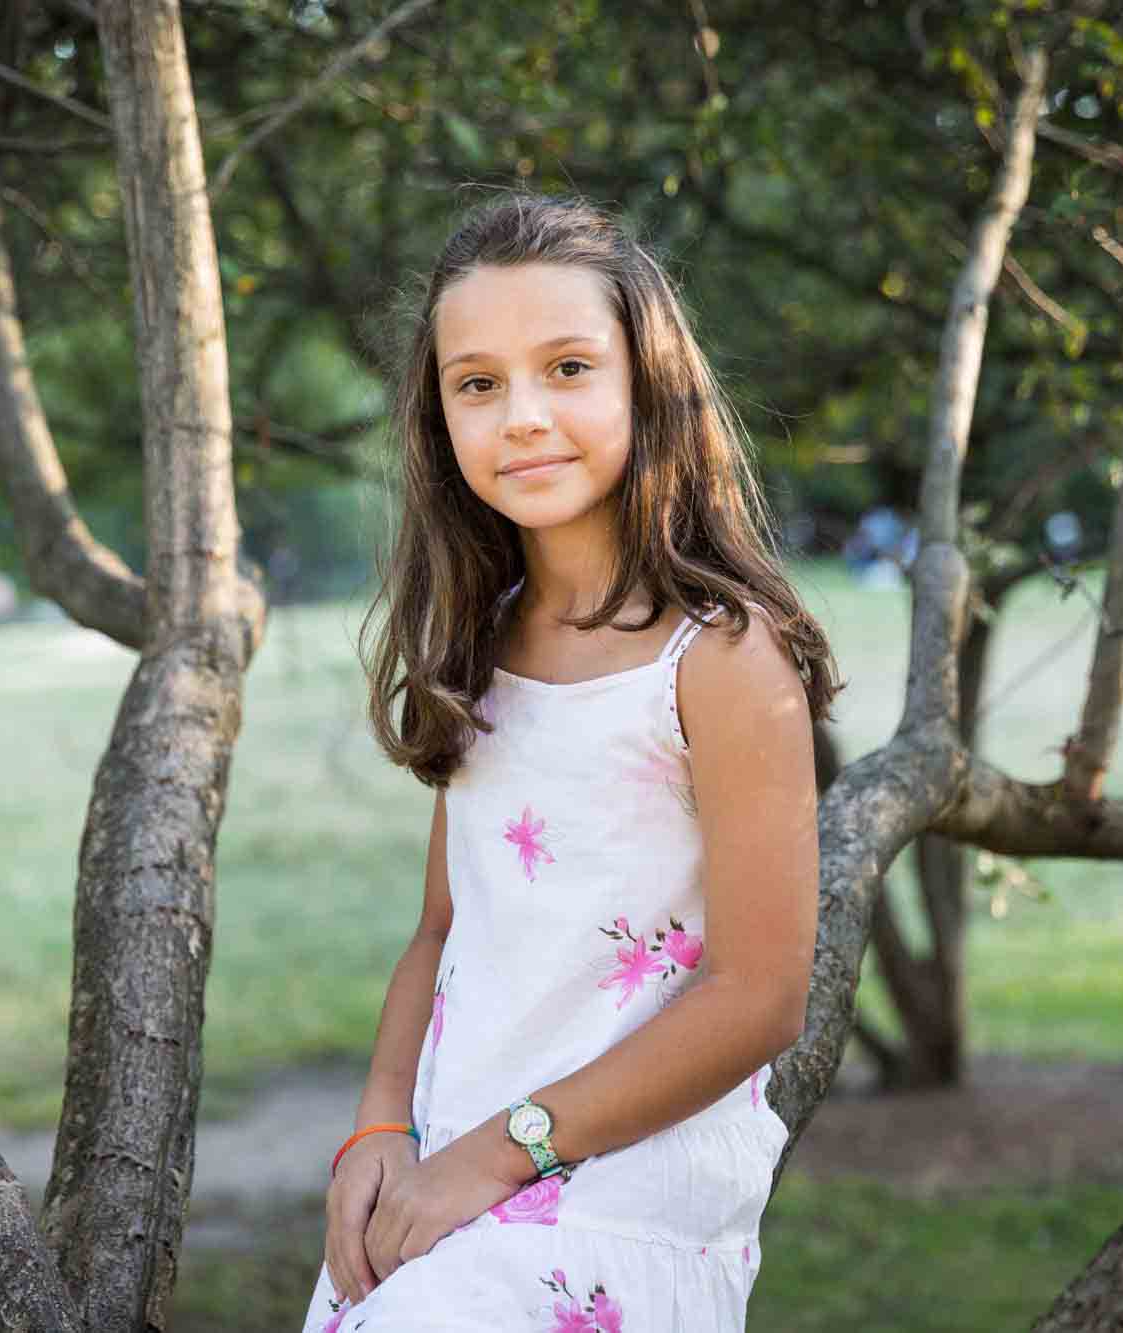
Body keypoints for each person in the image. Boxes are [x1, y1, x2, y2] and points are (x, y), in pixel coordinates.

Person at [300, 193, 841, 1332]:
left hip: (617, 1199)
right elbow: (443, 927)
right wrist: (378, 1125)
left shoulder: (719, 658)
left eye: (566, 367)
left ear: (645, 383)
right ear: (437, 415)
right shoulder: (481, 638)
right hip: (446, 1174)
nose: (522, 416)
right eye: (477, 383)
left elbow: (761, 995)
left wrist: (502, 1154)